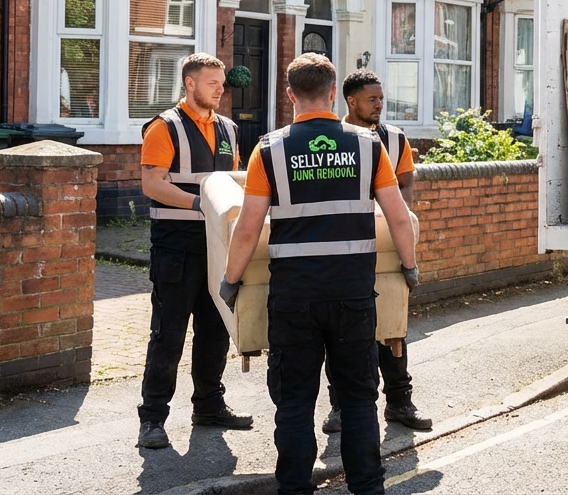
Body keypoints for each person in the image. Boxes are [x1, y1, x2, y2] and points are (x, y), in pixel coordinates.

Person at [220, 53, 418, 495]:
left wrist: (230, 280)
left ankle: (294, 489)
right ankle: (368, 488)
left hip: (294, 297)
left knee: (294, 402)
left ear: (291, 95)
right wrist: (409, 266)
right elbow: (399, 217)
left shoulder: (269, 149)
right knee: (359, 399)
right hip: (353, 294)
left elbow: (247, 226)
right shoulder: (369, 146)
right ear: (333, 94)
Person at [136, 53, 252, 449]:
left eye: (221, 82)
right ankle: (152, 419)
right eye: (212, 83)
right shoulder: (164, 127)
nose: (221, 89)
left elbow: (231, 183)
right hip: (176, 247)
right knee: (168, 335)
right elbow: (152, 184)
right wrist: (200, 204)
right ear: (190, 84)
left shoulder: (229, 129)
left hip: (217, 246)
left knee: (215, 331)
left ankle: (208, 406)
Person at [320, 69, 430, 434]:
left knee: (393, 329)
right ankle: (339, 407)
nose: (379, 104)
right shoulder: (332, 138)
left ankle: (399, 402)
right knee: (342, 335)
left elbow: (406, 183)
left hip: (386, 245)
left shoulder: (395, 138)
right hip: (345, 250)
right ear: (351, 101)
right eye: (372, 99)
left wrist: (398, 221)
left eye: (381, 98)